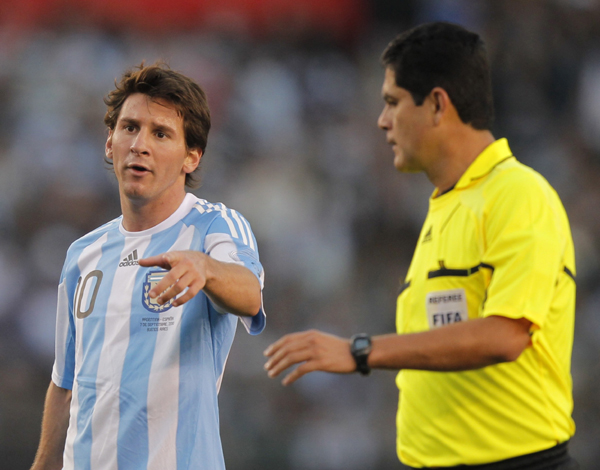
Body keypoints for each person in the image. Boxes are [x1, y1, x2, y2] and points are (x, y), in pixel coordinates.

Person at [264, 22, 578, 469]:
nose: (382, 120)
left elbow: (506, 335)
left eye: (392, 102)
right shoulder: (446, 207)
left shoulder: (518, 194)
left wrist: (360, 352)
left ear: (436, 104)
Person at [31, 63, 266, 470]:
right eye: (130, 128)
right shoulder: (83, 254)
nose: (140, 144)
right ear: (110, 143)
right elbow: (65, 384)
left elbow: (250, 294)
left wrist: (206, 269)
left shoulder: (214, 227)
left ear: (191, 157)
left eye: (160, 134)